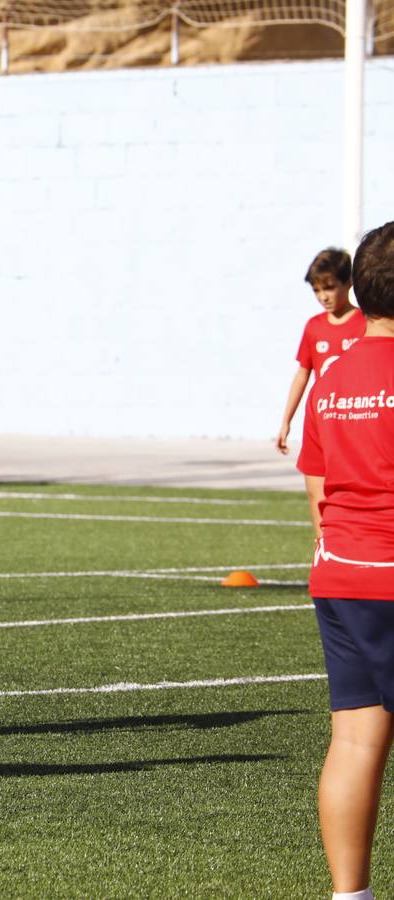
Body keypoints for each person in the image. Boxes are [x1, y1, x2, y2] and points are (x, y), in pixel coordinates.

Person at [297, 221, 394, 900]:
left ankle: (349, 896)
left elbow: (318, 479)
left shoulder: (332, 375)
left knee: (356, 742)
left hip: (340, 574)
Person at [278, 248, 364, 536]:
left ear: (348, 283)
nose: (323, 296)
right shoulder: (314, 328)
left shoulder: (366, 323)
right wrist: (286, 420)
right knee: (318, 494)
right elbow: (303, 373)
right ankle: (323, 551)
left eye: (329, 287)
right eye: (317, 290)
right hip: (322, 424)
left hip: (357, 422)